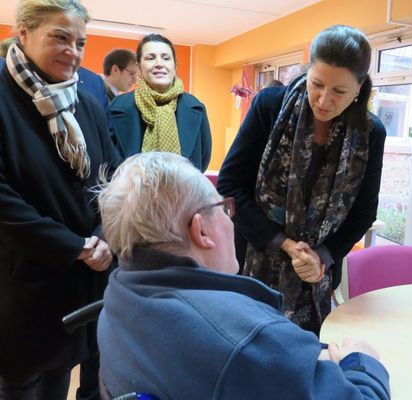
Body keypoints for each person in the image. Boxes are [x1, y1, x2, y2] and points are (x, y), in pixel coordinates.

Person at [96, 151, 390, 400]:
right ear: (201, 231)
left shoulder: (120, 295)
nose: (230, 218)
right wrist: (363, 363)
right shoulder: (246, 344)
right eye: (223, 208)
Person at [217, 25, 387, 334]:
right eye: (317, 84)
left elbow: (364, 212)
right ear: (306, 71)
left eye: (339, 91)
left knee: (307, 361)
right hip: (254, 265)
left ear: (360, 89)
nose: (323, 100)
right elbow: (230, 188)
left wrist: (323, 256)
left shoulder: (370, 134)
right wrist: (283, 243)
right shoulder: (270, 107)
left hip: (316, 282)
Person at [0, 0, 121, 399]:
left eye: (81, 43)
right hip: (20, 278)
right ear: (24, 33)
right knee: (19, 381)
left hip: (80, 279)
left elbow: (112, 177)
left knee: (58, 377)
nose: (73, 51)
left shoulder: (85, 100)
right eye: (60, 37)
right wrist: (75, 246)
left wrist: (103, 235)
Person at [110, 33, 212, 171]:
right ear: (138, 67)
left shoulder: (195, 107)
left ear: (175, 66)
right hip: (129, 191)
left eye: (166, 58)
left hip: (183, 191)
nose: (159, 64)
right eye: (150, 58)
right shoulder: (116, 107)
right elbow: (106, 162)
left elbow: (203, 159)